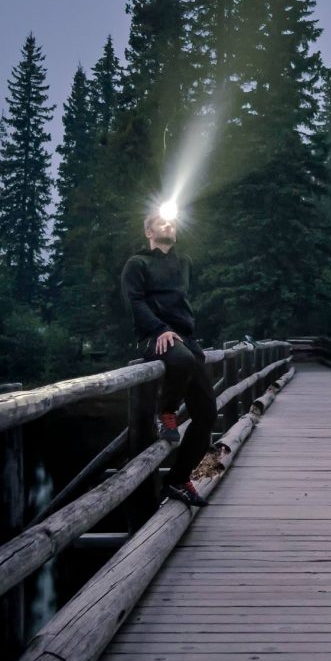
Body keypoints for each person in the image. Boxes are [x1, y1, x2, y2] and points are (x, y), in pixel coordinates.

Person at [120, 205, 216, 507]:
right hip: (153, 336)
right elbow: (135, 302)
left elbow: (181, 302)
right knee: (183, 360)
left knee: (208, 414)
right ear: (149, 231)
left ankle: (177, 480)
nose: (169, 227)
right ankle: (166, 412)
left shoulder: (184, 262)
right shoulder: (137, 263)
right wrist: (160, 329)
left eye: (172, 223)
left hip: (184, 338)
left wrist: (184, 330)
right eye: (161, 223)